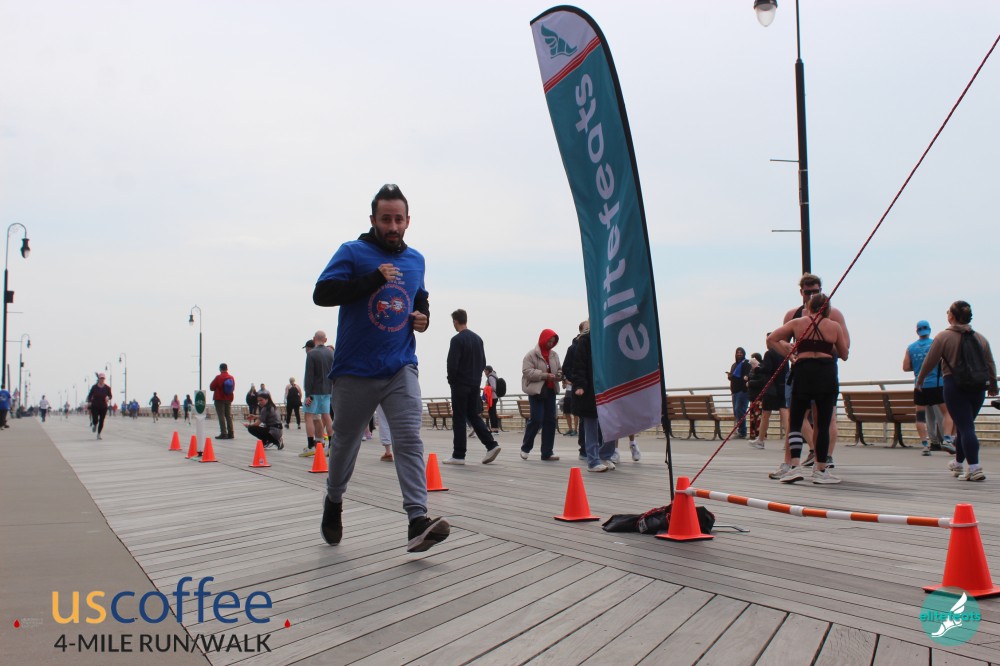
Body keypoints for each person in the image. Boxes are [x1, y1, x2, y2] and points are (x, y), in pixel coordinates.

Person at [312, 183, 449, 553]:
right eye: (385, 219)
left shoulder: (416, 260)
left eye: (398, 219)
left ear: (408, 221)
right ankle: (334, 500)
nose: (392, 226)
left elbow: (420, 299)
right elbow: (322, 294)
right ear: (373, 219)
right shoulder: (352, 252)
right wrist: (372, 279)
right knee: (345, 442)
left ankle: (417, 520)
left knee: (409, 439)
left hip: (400, 366)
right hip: (355, 369)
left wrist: (423, 318)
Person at [767, 293, 849, 484]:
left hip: (803, 372)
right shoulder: (834, 326)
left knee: (796, 421)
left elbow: (772, 339)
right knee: (822, 424)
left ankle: (794, 466)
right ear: (828, 309)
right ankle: (820, 469)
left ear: (809, 307)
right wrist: (826, 346)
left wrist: (790, 354)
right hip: (826, 374)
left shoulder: (798, 323)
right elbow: (844, 354)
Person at [915, 301, 998, 481]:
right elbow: (990, 363)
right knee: (963, 426)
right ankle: (958, 464)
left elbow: (930, 361)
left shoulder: (944, 337)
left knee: (966, 427)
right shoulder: (981, 338)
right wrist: (993, 385)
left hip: (955, 385)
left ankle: (975, 468)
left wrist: (920, 380)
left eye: (948, 312)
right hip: (978, 388)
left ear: (951, 316)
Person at [783, 273, 850, 467]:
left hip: (825, 370)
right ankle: (794, 461)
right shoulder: (793, 316)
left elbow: (845, 348)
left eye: (816, 291)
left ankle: (824, 458)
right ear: (801, 292)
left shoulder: (834, 316)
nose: (812, 296)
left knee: (826, 418)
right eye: (808, 292)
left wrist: (819, 345)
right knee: (796, 418)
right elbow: (778, 341)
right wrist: (790, 351)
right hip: (800, 371)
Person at [444, 309, 500, 465]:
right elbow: (483, 362)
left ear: (455, 321)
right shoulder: (478, 339)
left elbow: (452, 364)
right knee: (473, 415)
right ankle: (491, 445)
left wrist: (452, 381)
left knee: (459, 418)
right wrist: (476, 378)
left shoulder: (457, 340)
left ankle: (458, 455)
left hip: (460, 384)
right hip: (474, 384)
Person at [566, 322, 618, 472]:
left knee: (612, 422)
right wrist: (580, 385)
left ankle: (605, 455)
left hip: (607, 387)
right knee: (590, 424)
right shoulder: (584, 341)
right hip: (589, 389)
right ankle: (593, 460)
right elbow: (579, 365)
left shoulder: (609, 338)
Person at [904, 320, 956, 456]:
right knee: (948, 412)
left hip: (920, 386)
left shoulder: (911, 348)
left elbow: (905, 367)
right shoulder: (935, 344)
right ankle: (947, 439)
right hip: (937, 385)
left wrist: (918, 366)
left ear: (917, 331)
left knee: (920, 416)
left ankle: (925, 445)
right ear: (929, 330)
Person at [520, 329, 562, 461]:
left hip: (550, 391)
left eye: (553, 342)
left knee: (550, 420)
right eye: (549, 341)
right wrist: (544, 375)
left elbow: (559, 369)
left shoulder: (554, 355)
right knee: (537, 419)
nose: (551, 344)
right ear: (543, 340)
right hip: (537, 392)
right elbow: (527, 372)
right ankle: (526, 447)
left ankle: (547, 452)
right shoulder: (531, 355)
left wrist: (559, 375)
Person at [301, 330, 335, 457]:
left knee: (308, 416)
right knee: (327, 416)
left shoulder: (311, 354)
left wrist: (308, 394)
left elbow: (309, 375)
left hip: (314, 391)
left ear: (314, 339)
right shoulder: (331, 353)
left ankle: (311, 446)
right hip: (328, 390)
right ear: (325, 340)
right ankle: (332, 446)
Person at [726, 347, 751, 438]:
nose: (739, 354)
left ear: (744, 354)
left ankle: (742, 432)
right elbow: (733, 377)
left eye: (741, 352)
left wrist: (746, 377)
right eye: (738, 352)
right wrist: (730, 376)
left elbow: (749, 375)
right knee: (736, 412)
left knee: (739, 410)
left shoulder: (746, 363)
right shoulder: (734, 365)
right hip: (735, 391)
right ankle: (740, 431)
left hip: (742, 391)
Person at [208, 363, 236, 439]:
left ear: (220, 369)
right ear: (227, 368)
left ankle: (224, 433)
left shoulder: (218, 377)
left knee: (221, 416)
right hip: (229, 398)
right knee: (228, 416)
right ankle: (231, 433)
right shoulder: (231, 377)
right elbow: (233, 388)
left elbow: (211, 387)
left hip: (219, 398)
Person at [87, 373, 113, 440]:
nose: (102, 380)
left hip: (103, 406)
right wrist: (89, 401)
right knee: (95, 419)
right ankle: (94, 424)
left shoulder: (107, 388)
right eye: (101, 378)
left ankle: (99, 434)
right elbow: (89, 395)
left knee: (102, 420)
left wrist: (108, 397)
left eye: (103, 378)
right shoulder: (94, 387)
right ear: (98, 379)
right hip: (95, 406)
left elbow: (110, 396)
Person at [483, 365, 501, 432]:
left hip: (492, 397)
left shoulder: (490, 377)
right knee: (492, 413)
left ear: (488, 371)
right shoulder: (493, 376)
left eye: (485, 371)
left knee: (492, 413)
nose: (484, 372)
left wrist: (486, 388)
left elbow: (493, 387)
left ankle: (494, 429)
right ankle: (494, 429)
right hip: (494, 397)